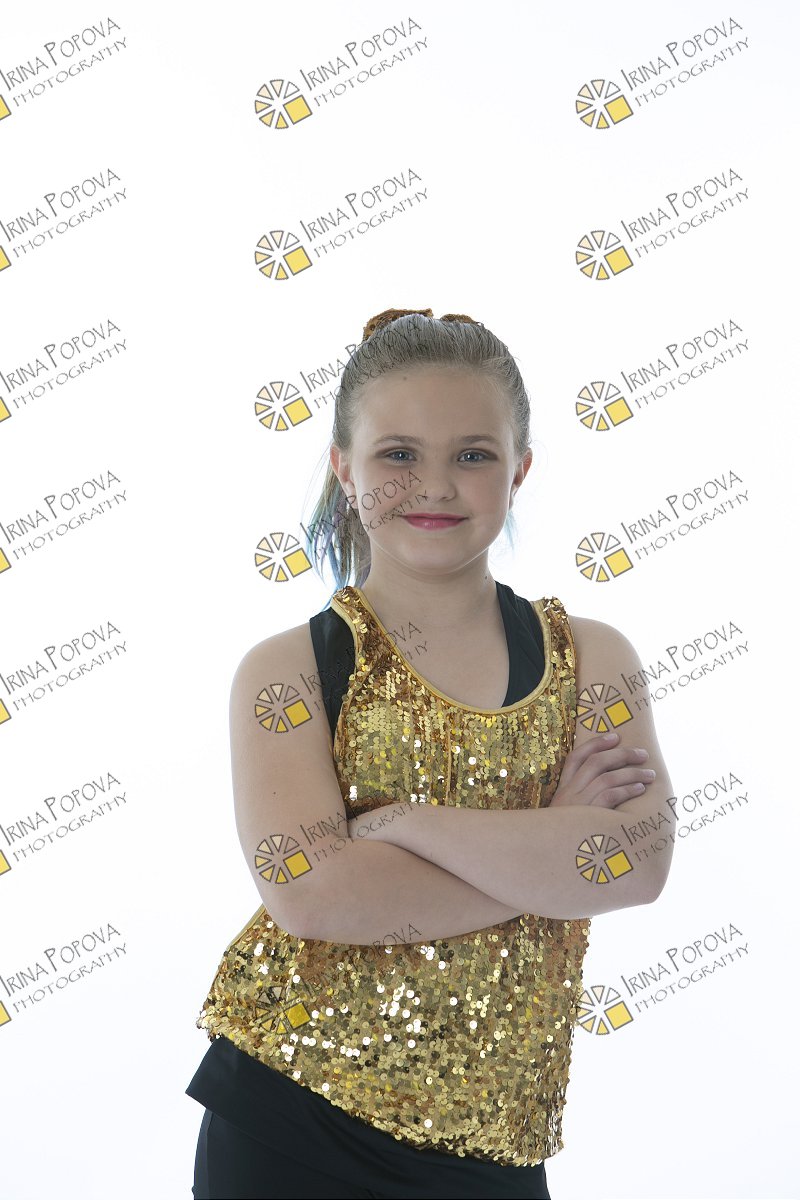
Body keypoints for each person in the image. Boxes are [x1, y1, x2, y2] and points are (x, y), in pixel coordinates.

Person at [185, 308, 675, 1199]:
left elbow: (633, 865)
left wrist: (401, 824)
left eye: (474, 454)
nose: (436, 486)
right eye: (398, 454)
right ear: (345, 468)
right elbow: (313, 895)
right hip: (290, 1118)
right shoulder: (290, 670)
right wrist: (551, 853)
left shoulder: (592, 658)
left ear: (520, 468)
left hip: (496, 1144)